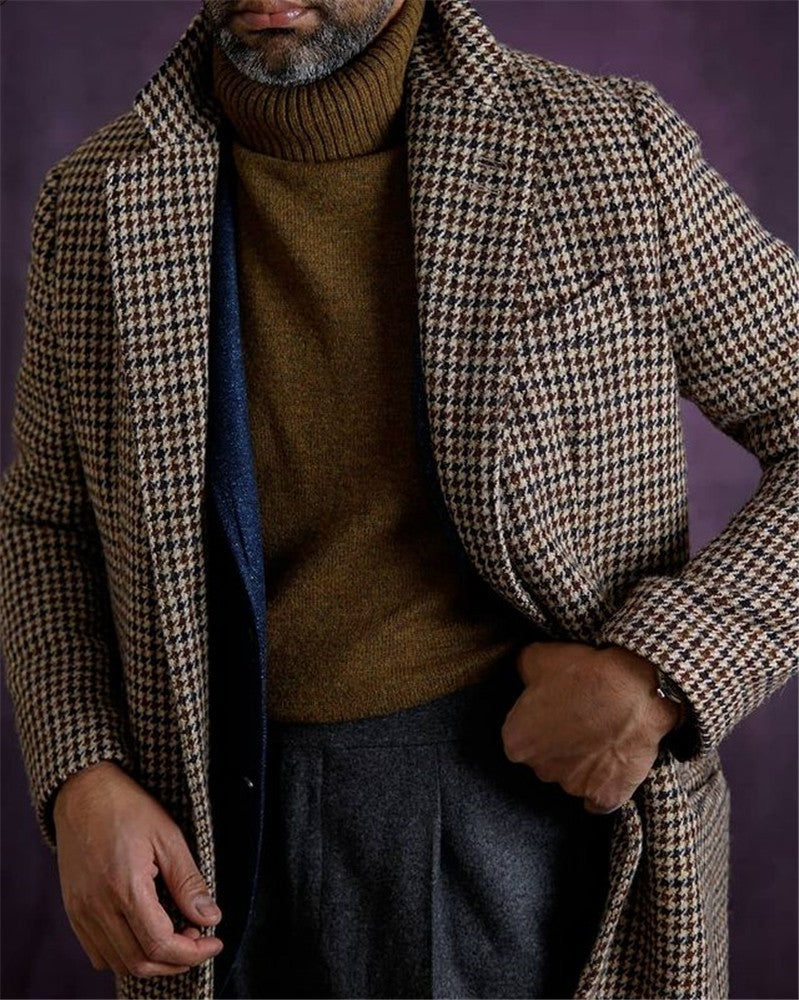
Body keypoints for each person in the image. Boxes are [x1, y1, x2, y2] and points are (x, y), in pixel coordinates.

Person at [0, 0, 795, 998]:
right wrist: (82, 772)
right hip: (207, 829)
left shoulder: (607, 146)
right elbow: (48, 520)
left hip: (524, 812)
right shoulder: (93, 198)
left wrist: (663, 673)